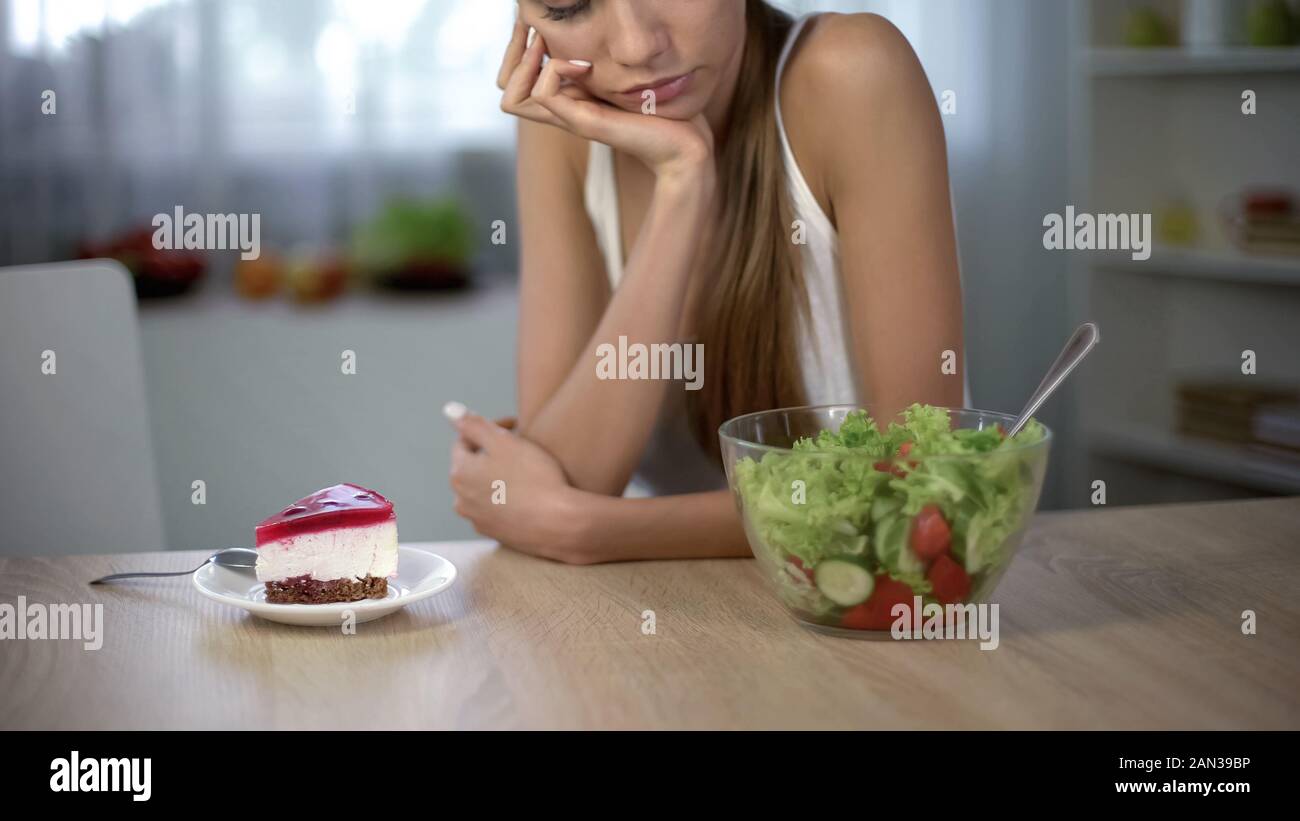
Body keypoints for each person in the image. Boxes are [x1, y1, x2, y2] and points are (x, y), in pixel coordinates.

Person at [449, 0, 964, 563]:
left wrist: (592, 529)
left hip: (865, 622)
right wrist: (682, 182)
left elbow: (915, 483)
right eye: (568, 7)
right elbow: (566, 477)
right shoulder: (565, 122)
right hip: (689, 621)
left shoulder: (851, 71)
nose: (636, 47)